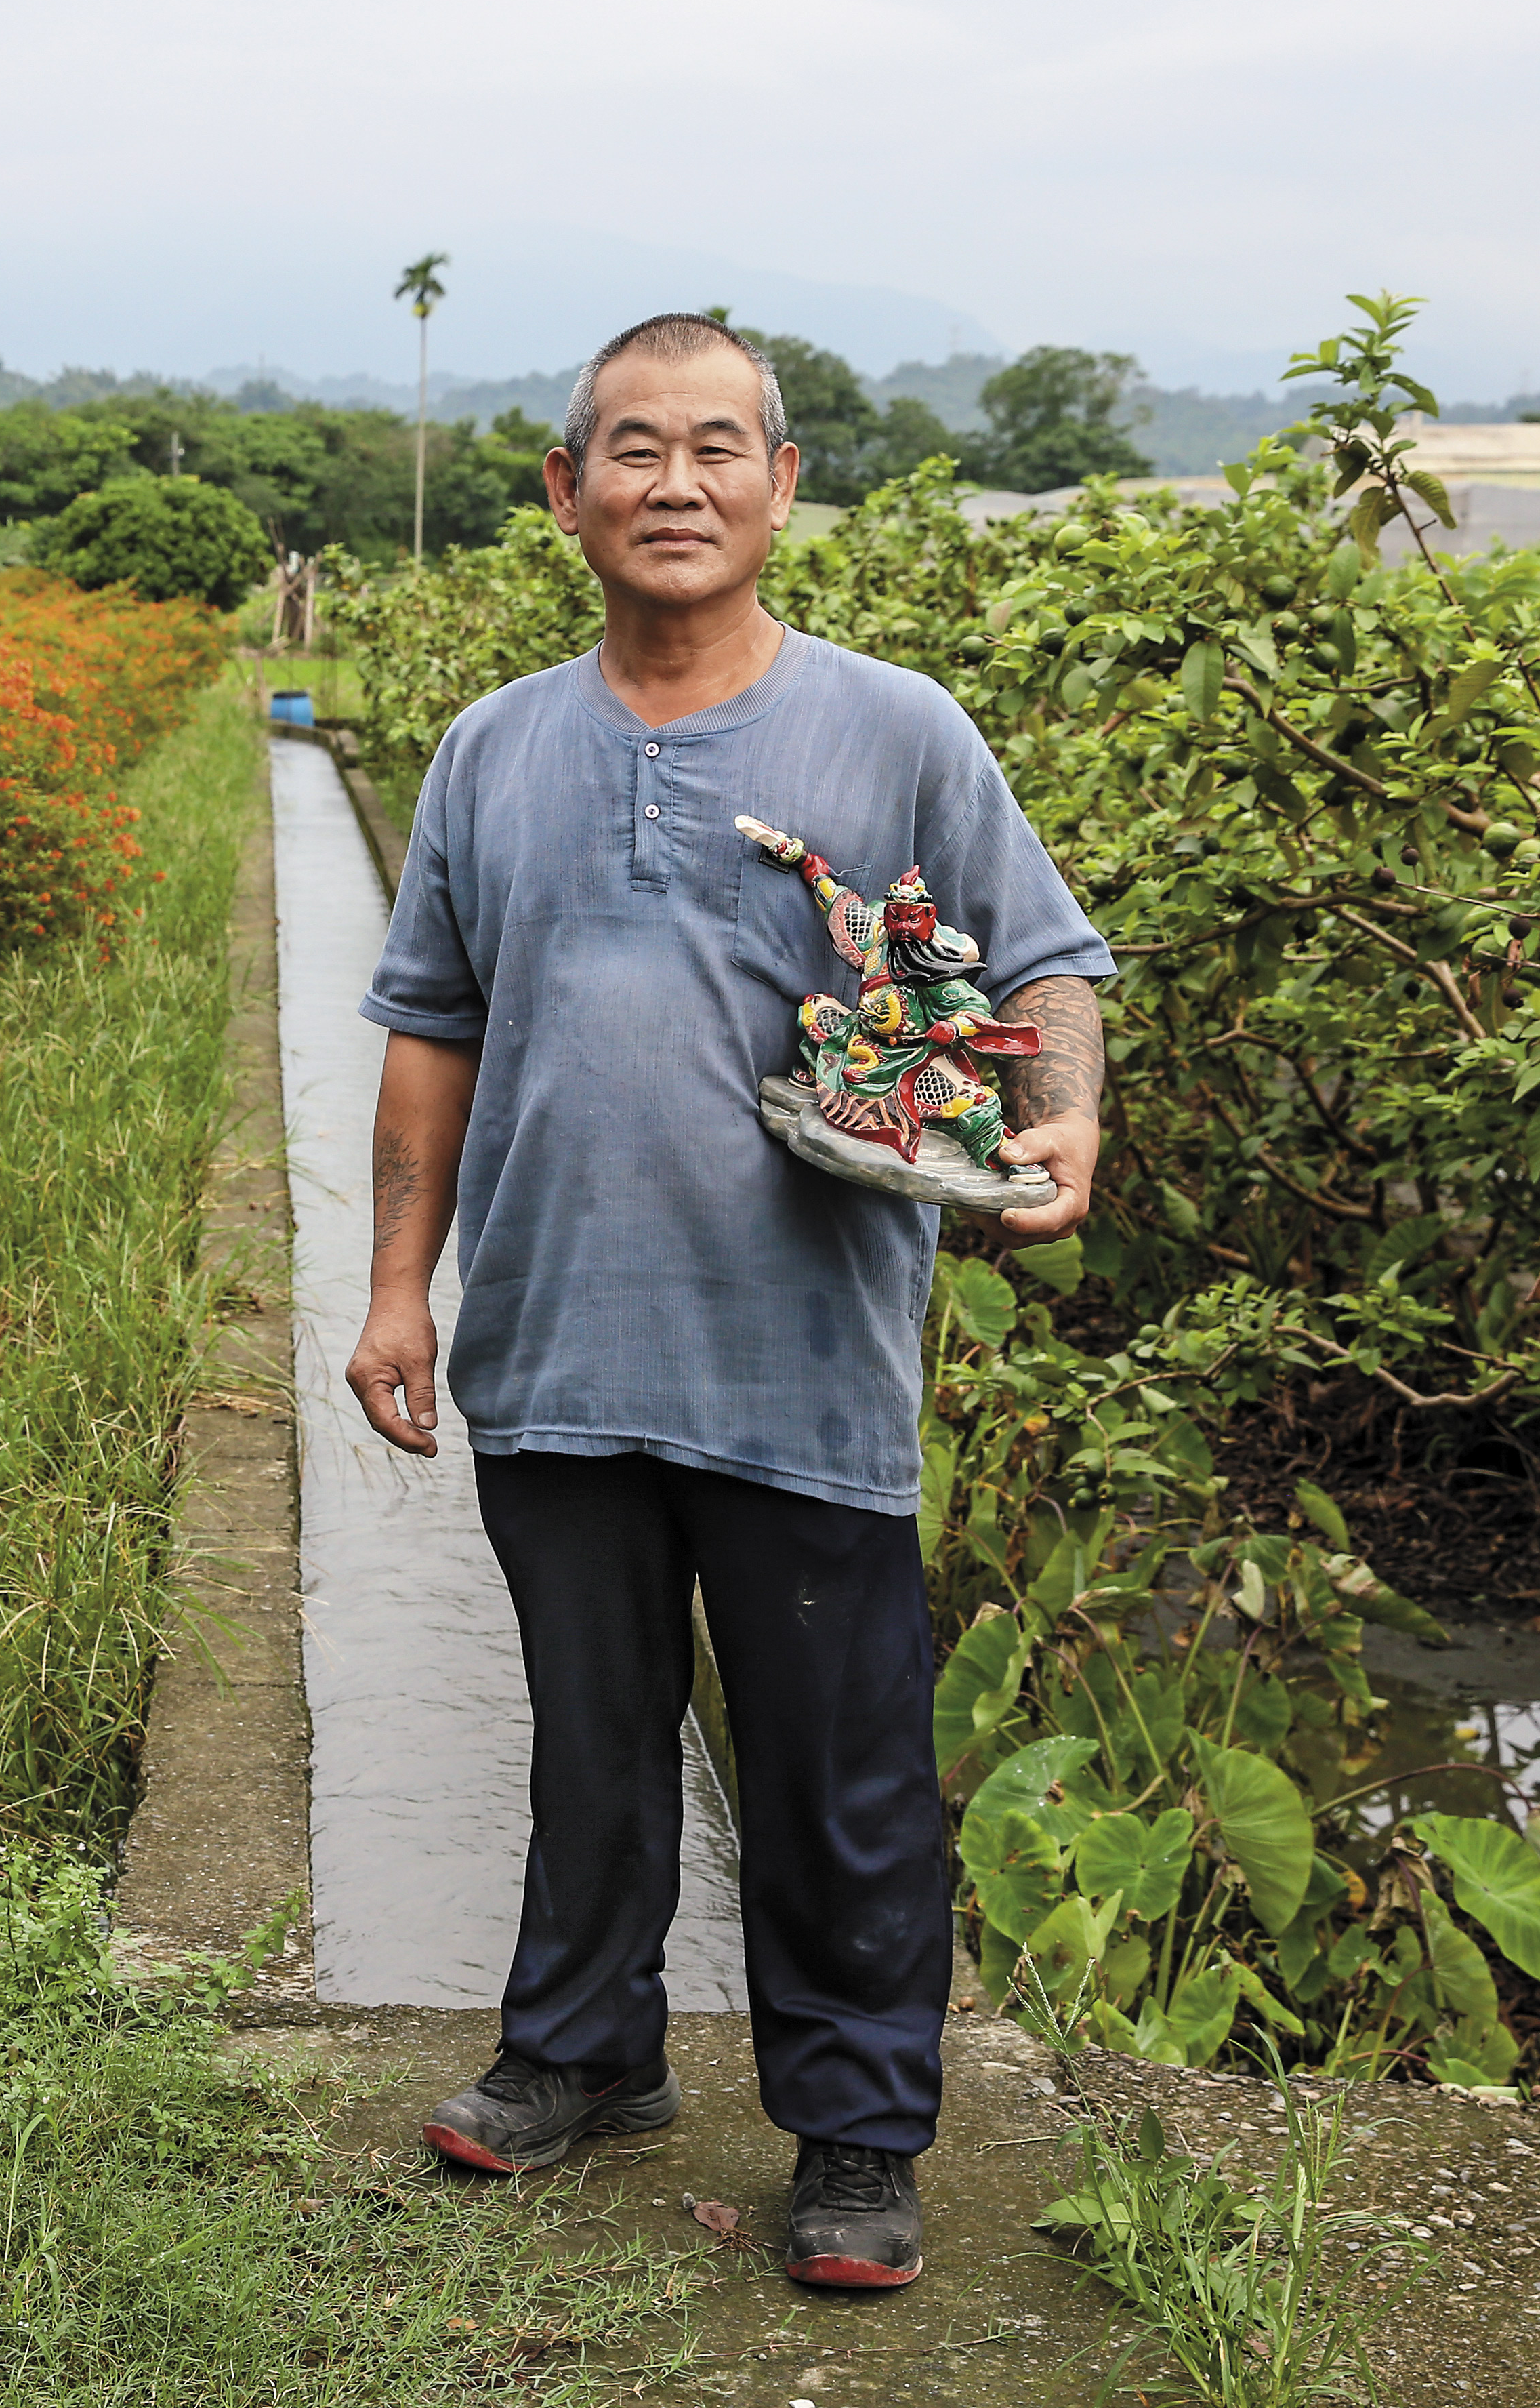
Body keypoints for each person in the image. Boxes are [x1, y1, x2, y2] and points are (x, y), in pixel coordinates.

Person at [346, 312, 1109, 2291]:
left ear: (782, 487)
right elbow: (433, 1027)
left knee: (834, 1765)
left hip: (800, 1370)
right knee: (590, 1738)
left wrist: (1064, 1129)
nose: (670, 485)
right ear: (565, 493)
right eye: (629, 451)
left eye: (713, 450)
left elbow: (1041, 970)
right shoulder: (494, 746)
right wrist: (396, 1290)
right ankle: (582, 2055)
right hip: (558, 1352)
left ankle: (856, 2134)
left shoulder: (896, 730)